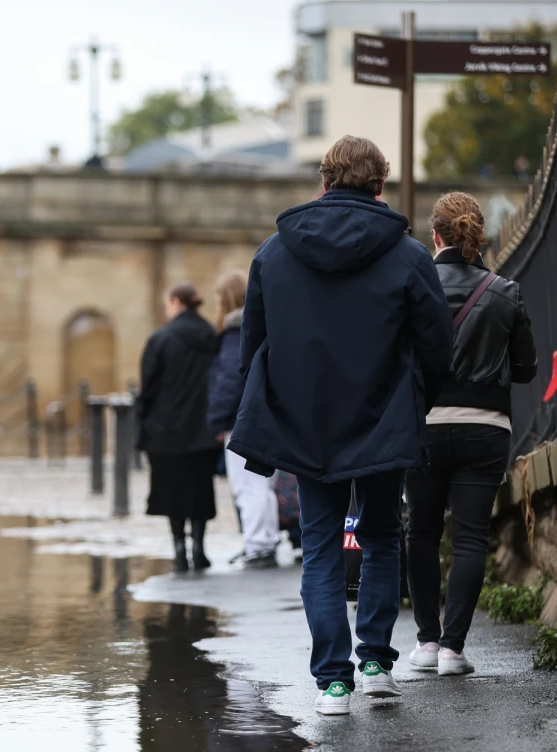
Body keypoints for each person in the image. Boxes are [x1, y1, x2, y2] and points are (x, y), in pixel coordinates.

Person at [229, 135, 453, 715]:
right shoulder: (408, 256)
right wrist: (416, 399)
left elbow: (253, 347)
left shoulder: (274, 253)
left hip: (306, 423)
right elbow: (437, 346)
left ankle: (332, 681)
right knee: (380, 535)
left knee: (321, 545)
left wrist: (276, 406)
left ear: (324, 181)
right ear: (379, 186)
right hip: (383, 414)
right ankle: (375, 662)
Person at [405, 192, 537, 676]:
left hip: (423, 426)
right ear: (479, 236)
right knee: (469, 538)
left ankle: (426, 641)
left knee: (420, 532)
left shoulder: (414, 288)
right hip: (484, 428)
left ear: (434, 235)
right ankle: (452, 650)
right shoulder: (506, 292)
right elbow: (525, 369)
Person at [137, 282, 221, 573]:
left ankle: (179, 548)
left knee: (171, 490)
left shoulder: (160, 339)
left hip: (166, 429)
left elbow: (148, 386)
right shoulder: (212, 336)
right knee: (200, 488)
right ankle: (198, 546)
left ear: (176, 302)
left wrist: (143, 420)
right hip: (203, 428)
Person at [207, 270, 282, 569]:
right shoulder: (267, 324)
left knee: (248, 486)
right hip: (268, 416)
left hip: (243, 419)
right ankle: (265, 541)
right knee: (263, 485)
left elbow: (229, 380)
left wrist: (216, 420)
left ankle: (258, 545)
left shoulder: (234, 332)